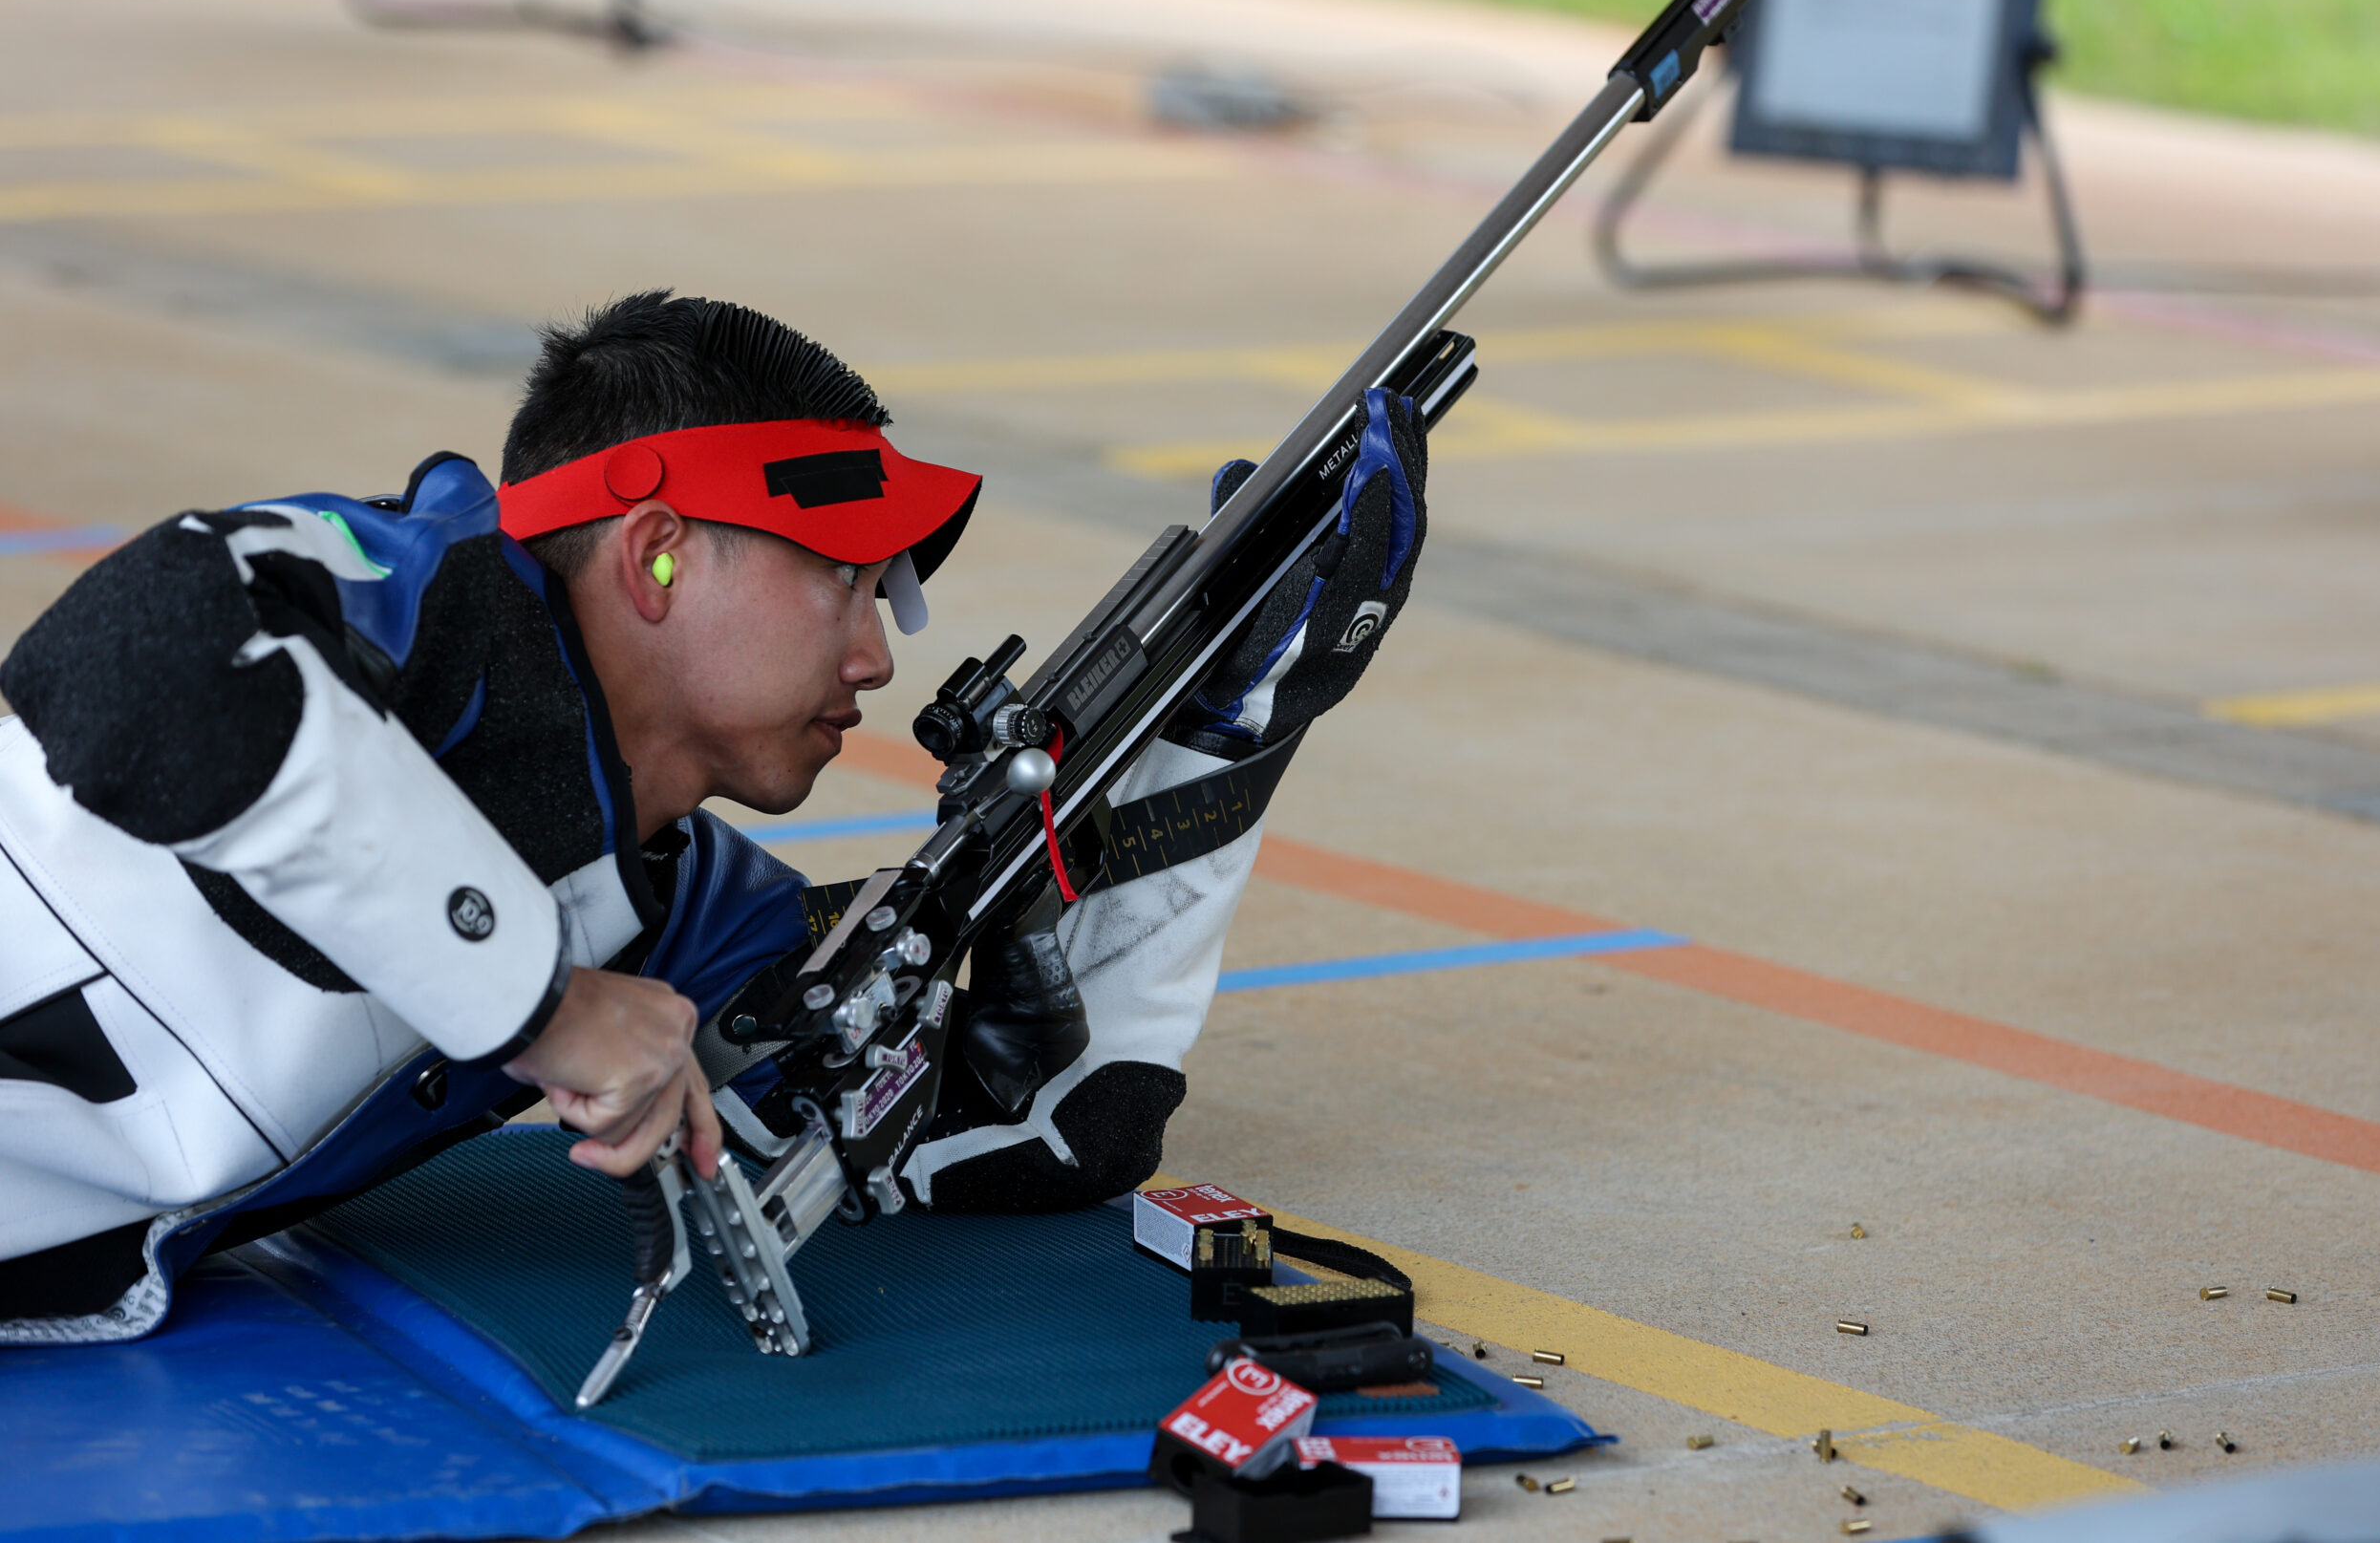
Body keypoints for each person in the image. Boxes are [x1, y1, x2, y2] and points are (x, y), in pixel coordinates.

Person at [0, 289, 1426, 1344]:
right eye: (850, 581)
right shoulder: (397, 592)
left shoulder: (683, 913)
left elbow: (1045, 1119)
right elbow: (136, 675)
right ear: (661, 553)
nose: (876, 656)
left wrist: (1217, 730)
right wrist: (540, 1003)